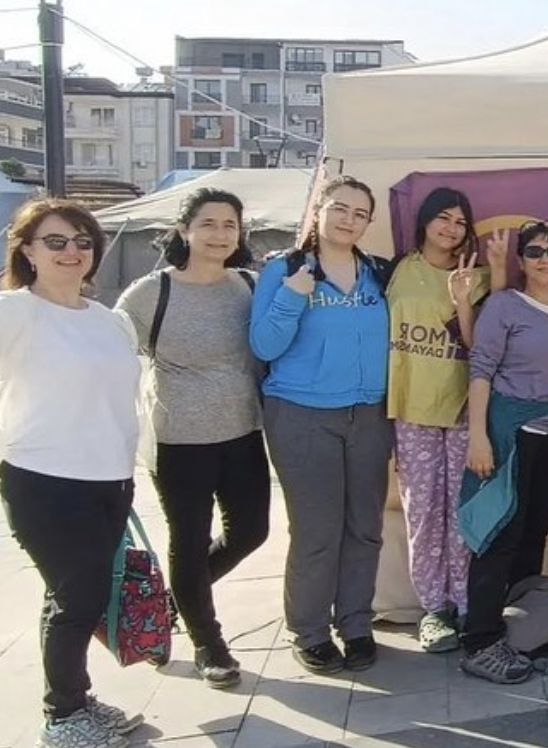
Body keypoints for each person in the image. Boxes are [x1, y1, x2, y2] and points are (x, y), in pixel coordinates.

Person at [0, 199, 145, 748]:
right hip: (44, 479)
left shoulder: (111, 321)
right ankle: (62, 717)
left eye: (82, 241)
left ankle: (76, 699)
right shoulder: (16, 312)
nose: (71, 251)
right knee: (78, 596)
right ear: (28, 251)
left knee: (70, 595)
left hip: (110, 479)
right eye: (55, 241)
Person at [116, 188, 270, 689]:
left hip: (244, 431)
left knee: (252, 532)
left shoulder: (250, 285)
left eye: (230, 224)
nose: (219, 234)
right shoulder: (150, 293)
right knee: (188, 540)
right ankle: (209, 643)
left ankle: (174, 600)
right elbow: (112, 354)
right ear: (185, 230)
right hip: (179, 439)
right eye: (208, 224)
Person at [250, 176, 394, 675]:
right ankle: (309, 631)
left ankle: (355, 622)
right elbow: (263, 346)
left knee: (365, 527)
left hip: (369, 415)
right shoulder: (285, 269)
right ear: (318, 211)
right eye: (340, 208)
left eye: (360, 213)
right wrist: (293, 296)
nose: (348, 219)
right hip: (301, 414)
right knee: (317, 531)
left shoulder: (378, 273)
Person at [458, 221, 548, 685]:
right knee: (500, 534)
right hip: (511, 435)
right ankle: (479, 641)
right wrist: (478, 436)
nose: (545, 258)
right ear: (522, 259)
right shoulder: (504, 305)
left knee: (533, 533)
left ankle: (517, 630)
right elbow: (480, 369)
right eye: (535, 251)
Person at [385, 187, 491, 653]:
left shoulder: (478, 277)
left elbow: (479, 347)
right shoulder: (393, 271)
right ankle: (433, 610)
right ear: (425, 220)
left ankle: (467, 604)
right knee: (423, 512)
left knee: (461, 511)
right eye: (443, 218)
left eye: (460, 221)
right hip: (412, 410)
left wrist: (463, 299)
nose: (451, 228)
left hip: (463, 408)